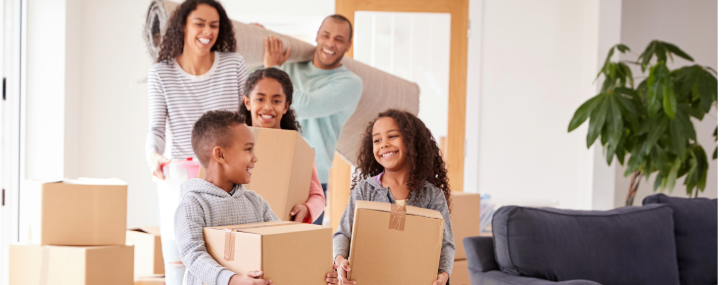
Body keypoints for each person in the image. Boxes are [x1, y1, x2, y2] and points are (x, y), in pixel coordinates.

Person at [145, 0, 247, 283]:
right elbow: (155, 128)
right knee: (180, 261)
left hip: (226, 177)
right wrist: (153, 154)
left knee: (229, 259)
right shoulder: (161, 73)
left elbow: (247, 119)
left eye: (214, 25)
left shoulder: (233, 65)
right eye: (199, 24)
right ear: (183, 26)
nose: (207, 31)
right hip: (181, 179)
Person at [325, 109, 455, 285]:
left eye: (392, 136)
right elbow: (343, 233)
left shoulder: (432, 195)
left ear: (412, 141)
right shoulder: (365, 190)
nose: (384, 144)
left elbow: (445, 244)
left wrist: (444, 274)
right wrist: (340, 261)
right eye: (377, 140)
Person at [262, 14, 364, 225]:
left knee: (300, 252)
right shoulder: (289, 66)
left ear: (348, 45)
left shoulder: (350, 83)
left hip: (310, 181)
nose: (330, 43)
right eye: (326, 35)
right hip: (271, 166)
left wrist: (273, 70)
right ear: (317, 36)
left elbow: (304, 106)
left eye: (339, 39)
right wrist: (258, 35)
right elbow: (254, 84)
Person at [175, 110, 278, 285]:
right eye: (248, 149)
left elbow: (281, 240)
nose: (255, 158)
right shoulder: (193, 204)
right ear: (220, 155)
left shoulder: (256, 203)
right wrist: (232, 280)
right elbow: (193, 255)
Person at [239, 68, 325, 223]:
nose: (268, 107)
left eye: (276, 101)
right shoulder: (232, 142)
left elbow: (318, 196)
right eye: (260, 99)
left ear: (286, 106)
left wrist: (306, 208)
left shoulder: (301, 149)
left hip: (281, 230)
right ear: (247, 102)